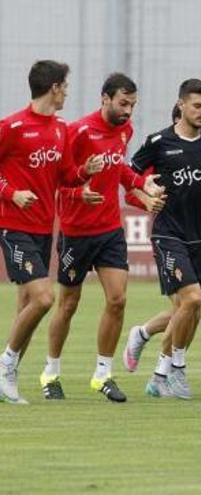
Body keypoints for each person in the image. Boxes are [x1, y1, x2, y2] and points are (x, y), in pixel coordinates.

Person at [41, 72, 161, 402]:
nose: (128, 111)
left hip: (109, 229)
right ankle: (51, 372)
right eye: (123, 103)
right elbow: (59, 180)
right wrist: (80, 193)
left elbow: (118, 168)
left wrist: (140, 184)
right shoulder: (77, 131)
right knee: (68, 304)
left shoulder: (125, 130)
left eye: (133, 105)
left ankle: (103, 373)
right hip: (76, 233)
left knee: (118, 299)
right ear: (105, 98)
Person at [0, 60, 104, 404]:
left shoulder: (60, 128)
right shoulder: (12, 126)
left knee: (26, 308)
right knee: (45, 298)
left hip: (44, 229)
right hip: (14, 226)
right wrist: (11, 193)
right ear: (55, 87)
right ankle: (6, 367)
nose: (68, 92)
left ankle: (7, 380)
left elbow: (64, 176)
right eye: (66, 86)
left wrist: (83, 171)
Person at [130, 78, 201, 400]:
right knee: (190, 300)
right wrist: (145, 199)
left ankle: (156, 368)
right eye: (197, 106)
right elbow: (129, 182)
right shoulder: (158, 142)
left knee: (192, 310)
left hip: (198, 238)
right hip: (167, 234)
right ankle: (177, 367)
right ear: (181, 105)